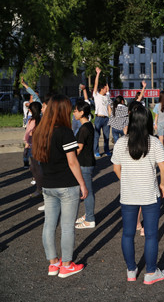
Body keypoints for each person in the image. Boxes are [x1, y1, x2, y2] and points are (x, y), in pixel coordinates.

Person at [112, 102, 164, 284]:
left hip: (128, 194)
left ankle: (131, 270)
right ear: (148, 122)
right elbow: (163, 168)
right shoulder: (154, 142)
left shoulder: (121, 142)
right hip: (149, 194)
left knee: (127, 234)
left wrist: (127, 180)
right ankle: (151, 273)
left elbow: (116, 168)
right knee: (151, 234)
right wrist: (162, 184)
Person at [32, 95, 88, 278]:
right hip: (66, 185)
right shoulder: (64, 132)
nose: (71, 112)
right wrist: (82, 184)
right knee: (66, 226)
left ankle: (53, 263)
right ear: (62, 110)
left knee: (49, 224)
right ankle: (66, 265)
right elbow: (72, 162)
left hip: (48, 185)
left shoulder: (40, 131)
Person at [73, 101, 97, 229]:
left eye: (75, 111)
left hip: (85, 163)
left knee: (87, 191)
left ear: (82, 113)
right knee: (87, 190)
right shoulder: (88, 125)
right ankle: (88, 214)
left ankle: (90, 219)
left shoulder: (84, 128)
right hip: (87, 162)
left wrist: (68, 156)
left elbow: (79, 148)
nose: (74, 113)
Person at [24, 102, 43, 201]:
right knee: (33, 167)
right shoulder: (39, 120)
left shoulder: (34, 120)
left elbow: (28, 134)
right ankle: (40, 188)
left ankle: (40, 189)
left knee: (36, 167)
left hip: (34, 147)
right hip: (35, 146)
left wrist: (26, 146)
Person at [92, 67, 112, 158]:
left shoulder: (107, 96)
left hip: (106, 118)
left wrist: (111, 117)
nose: (106, 89)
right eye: (105, 88)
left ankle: (107, 150)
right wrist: (98, 74)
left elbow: (108, 107)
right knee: (96, 136)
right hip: (98, 118)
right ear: (102, 89)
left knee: (106, 136)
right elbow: (95, 84)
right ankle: (96, 151)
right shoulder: (96, 95)